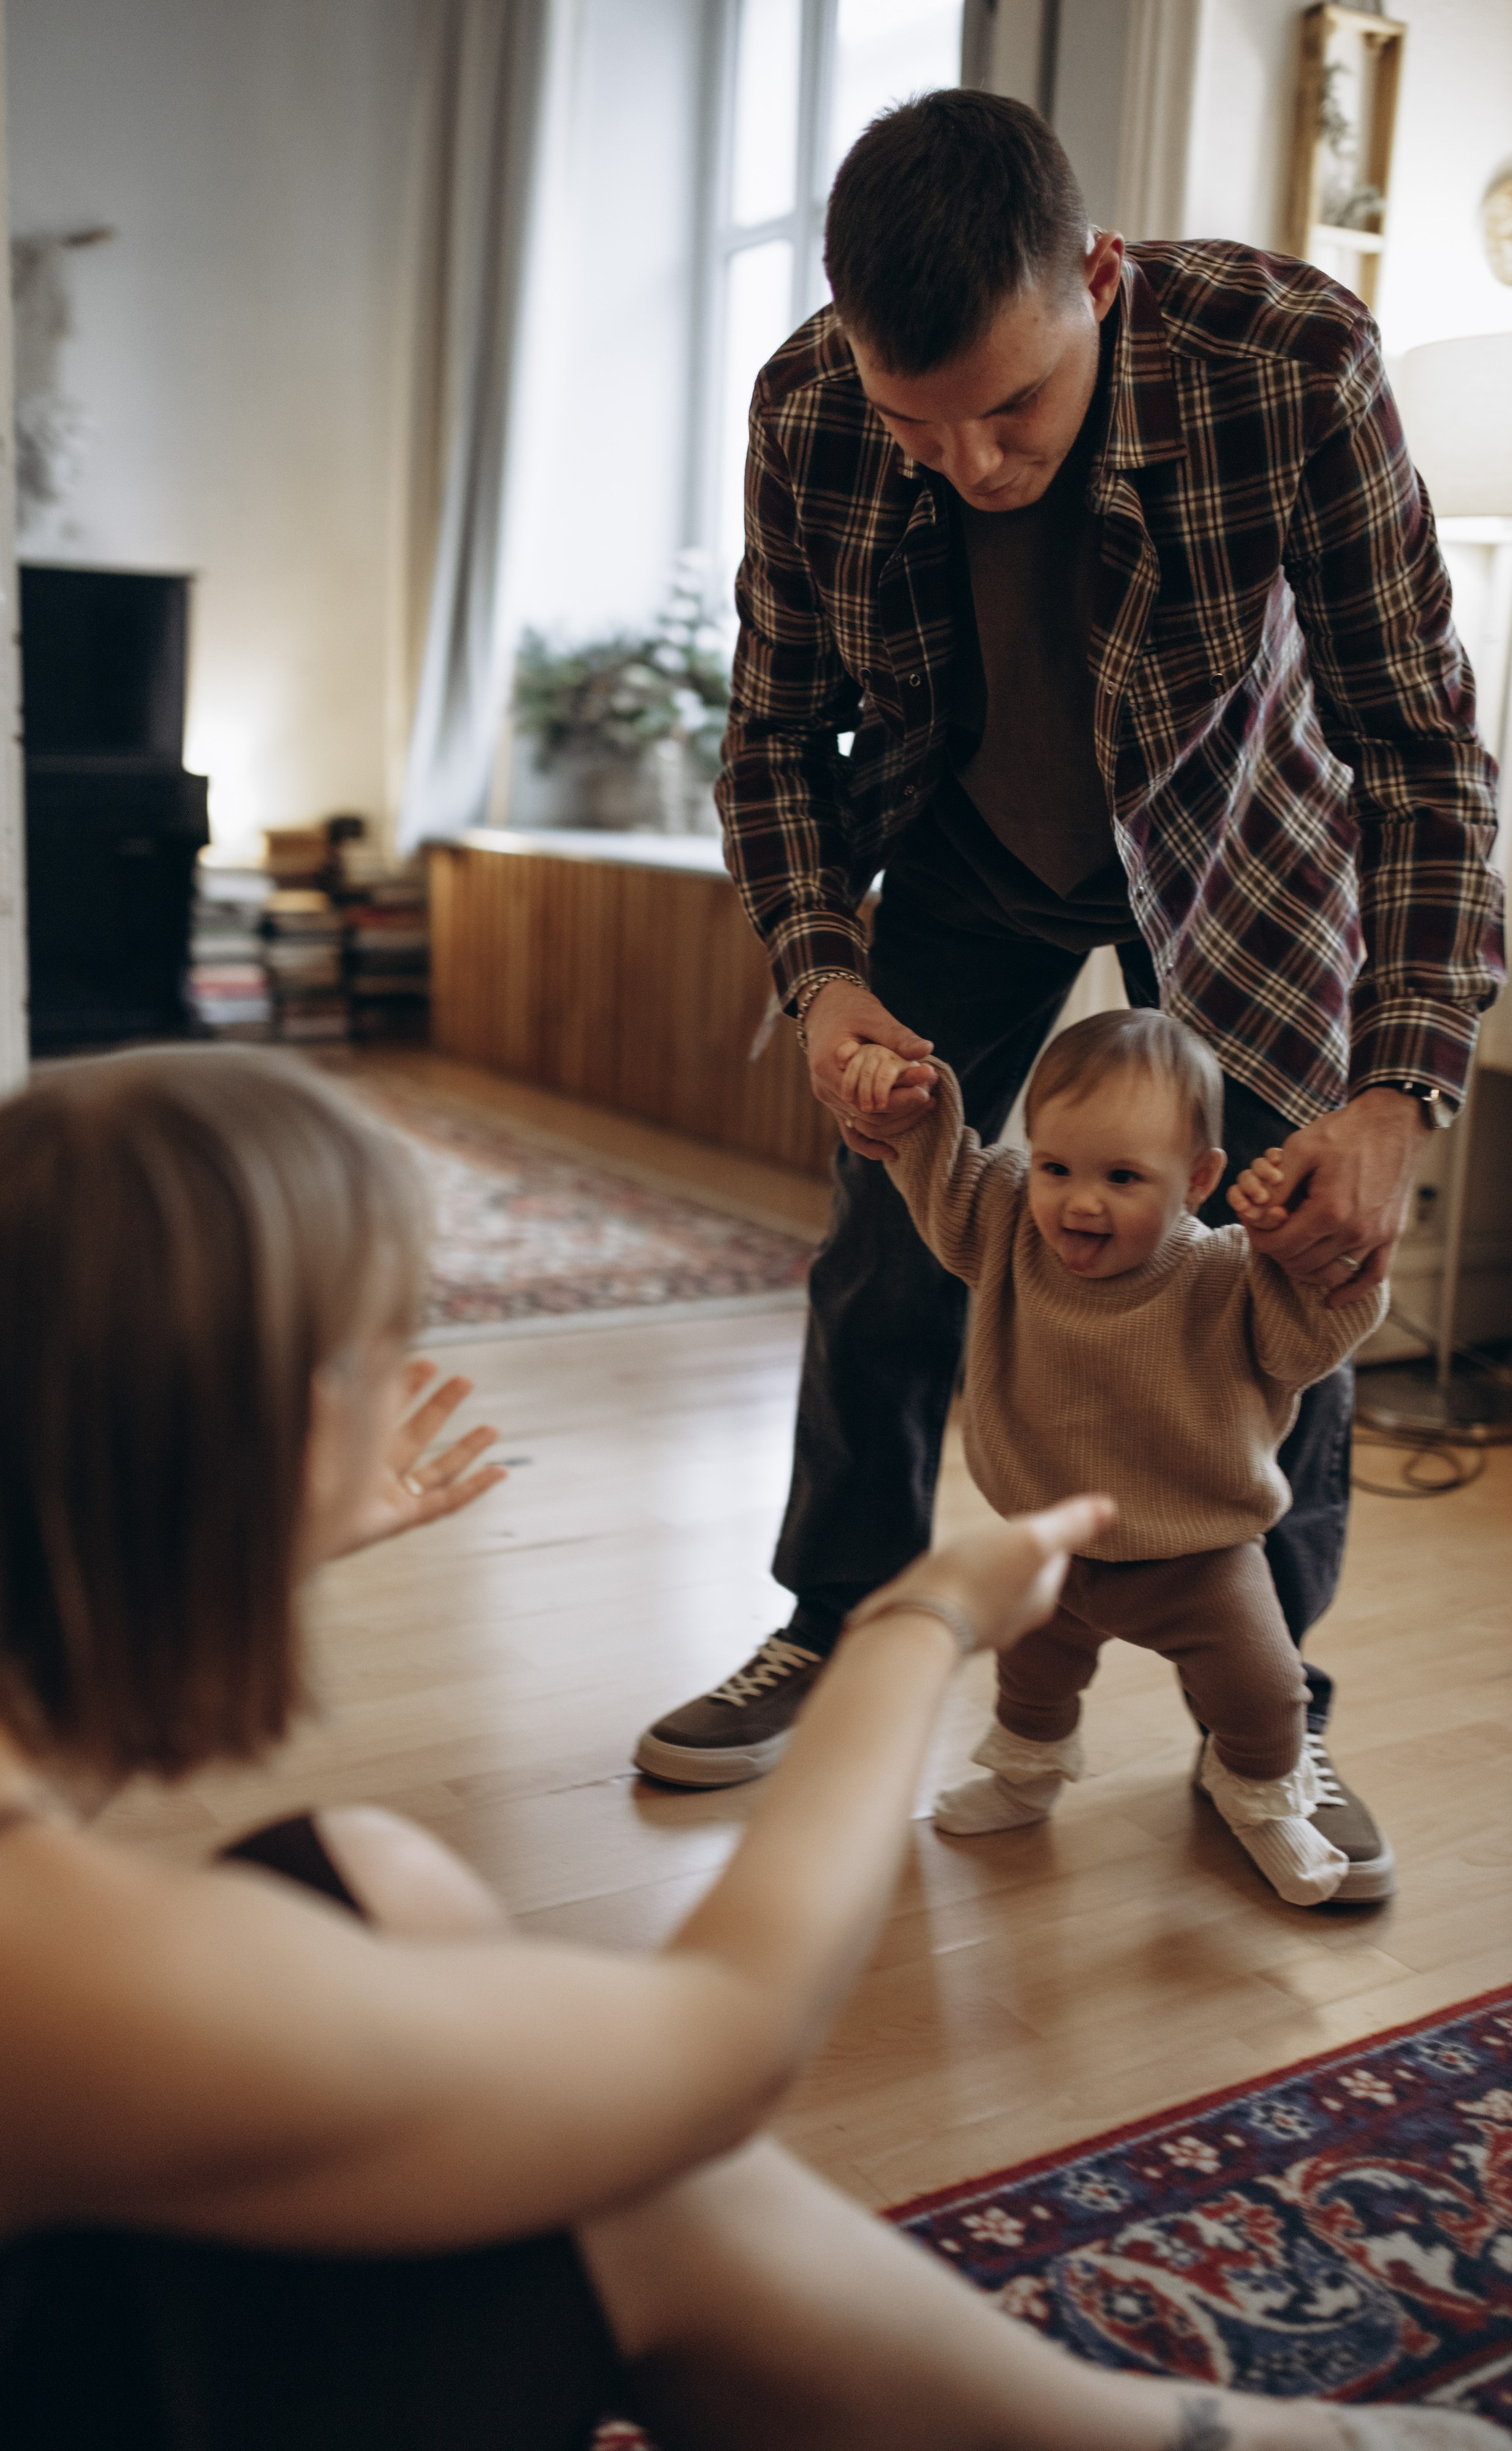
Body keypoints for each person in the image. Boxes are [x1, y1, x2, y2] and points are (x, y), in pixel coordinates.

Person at [0, 1046, 1500, 2451]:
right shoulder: (5, 1960)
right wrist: (911, 1629)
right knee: (631, 2178)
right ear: (220, 1430)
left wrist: (237, 1545)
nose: (383, 1393)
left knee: (370, 1878)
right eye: (352, 1361)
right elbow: (718, 2044)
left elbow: (11, 1795)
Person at [633, 91, 1506, 1886]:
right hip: (963, 841)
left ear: (1099, 282)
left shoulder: (1291, 365)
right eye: (915, 420)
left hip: (1244, 855)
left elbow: (1417, 748)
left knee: (1302, 1269)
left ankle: (1276, 1714)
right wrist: (822, 983)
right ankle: (840, 1622)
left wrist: (1396, 1093)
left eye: (1014, 406)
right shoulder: (807, 411)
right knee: (886, 1255)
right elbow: (777, 738)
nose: (968, 461)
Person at [835, 1005, 1387, 1905]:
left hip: (1199, 1554)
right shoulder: (1010, 1224)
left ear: (1198, 1179)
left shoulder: (1228, 1274)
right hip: (1047, 1543)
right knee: (1032, 1681)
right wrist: (908, 1111)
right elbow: (943, 1173)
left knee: (1266, 1692)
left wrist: (1320, 1264)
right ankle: (1027, 1776)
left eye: (1124, 1177)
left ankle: (1255, 1798)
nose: (1078, 1201)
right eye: (1056, 1167)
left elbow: (1304, 1348)